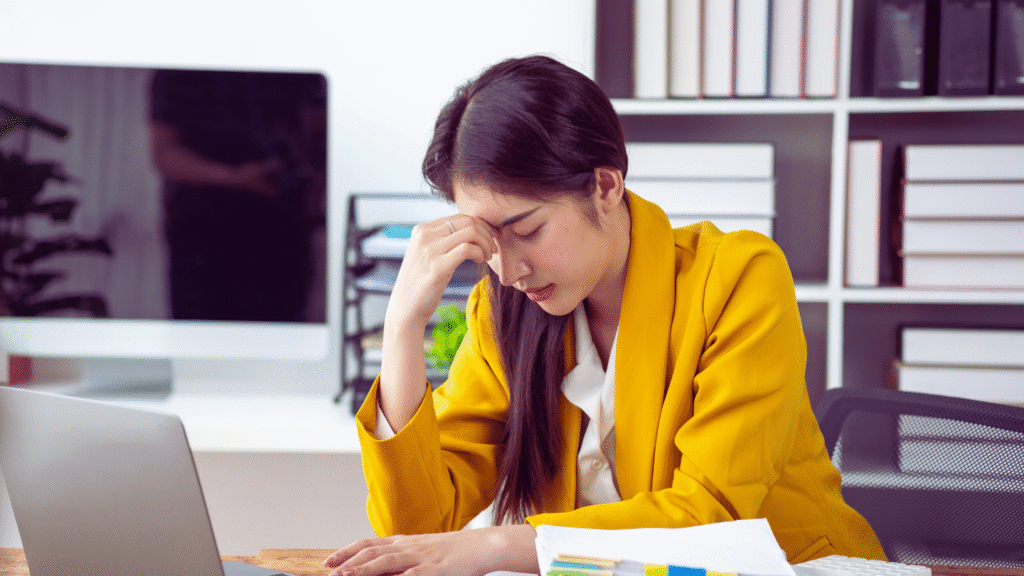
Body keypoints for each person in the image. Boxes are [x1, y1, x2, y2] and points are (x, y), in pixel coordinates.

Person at [324, 55, 886, 576]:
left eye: (526, 231)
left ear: (605, 185)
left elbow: (713, 517)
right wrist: (402, 328)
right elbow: (416, 529)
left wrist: (500, 543)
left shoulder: (739, 278)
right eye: (486, 241)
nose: (508, 269)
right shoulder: (503, 311)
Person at [149, 69, 326, 322]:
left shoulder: (299, 68)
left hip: (283, 233)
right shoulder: (179, 72)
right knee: (203, 344)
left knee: (283, 343)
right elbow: (164, 153)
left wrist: (312, 197)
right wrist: (234, 177)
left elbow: (319, 136)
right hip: (204, 239)